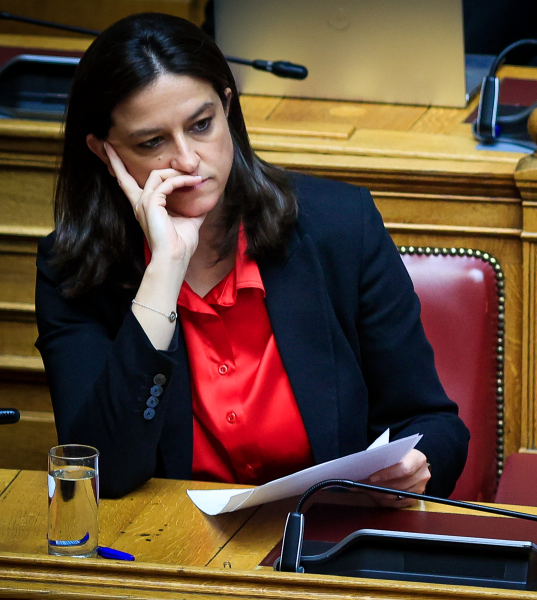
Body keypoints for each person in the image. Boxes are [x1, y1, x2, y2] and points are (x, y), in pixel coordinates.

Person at [35, 13, 470, 500]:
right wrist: (164, 272)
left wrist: (417, 466)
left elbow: (432, 421)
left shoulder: (341, 227)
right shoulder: (71, 270)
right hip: (167, 542)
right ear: (105, 152)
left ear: (227, 107)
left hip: (327, 533)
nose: (188, 160)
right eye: (152, 141)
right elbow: (101, 476)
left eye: (201, 125)